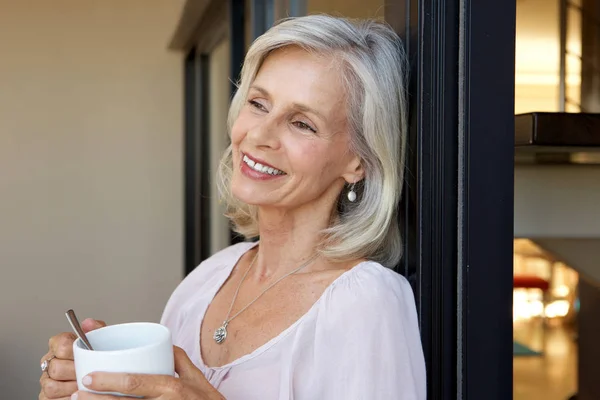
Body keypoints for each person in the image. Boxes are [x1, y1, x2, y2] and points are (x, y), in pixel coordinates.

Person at [39, 14, 426, 400]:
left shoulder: (367, 303)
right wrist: (84, 385)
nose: (258, 134)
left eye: (302, 123)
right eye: (258, 104)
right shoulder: (208, 280)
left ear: (357, 161)